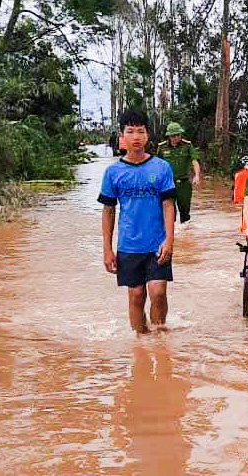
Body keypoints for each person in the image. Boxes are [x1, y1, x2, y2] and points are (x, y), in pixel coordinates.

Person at [98, 109, 176, 335]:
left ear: (147, 135)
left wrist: (169, 239)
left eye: (140, 131)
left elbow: (168, 205)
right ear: (122, 136)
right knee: (136, 295)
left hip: (157, 243)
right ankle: (140, 343)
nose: (136, 137)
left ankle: (160, 340)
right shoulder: (113, 172)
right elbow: (108, 211)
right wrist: (107, 249)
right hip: (128, 246)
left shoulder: (161, 167)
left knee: (158, 291)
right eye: (130, 131)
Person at [156, 122, 201, 223]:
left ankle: (186, 234)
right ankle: (173, 235)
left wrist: (197, 175)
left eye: (178, 135)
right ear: (169, 136)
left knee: (185, 211)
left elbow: (194, 161)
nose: (176, 137)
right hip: (168, 184)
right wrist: (153, 181)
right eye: (173, 135)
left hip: (184, 183)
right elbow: (156, 166)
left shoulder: (187, 145)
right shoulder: (162, 147)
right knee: (170, 212)